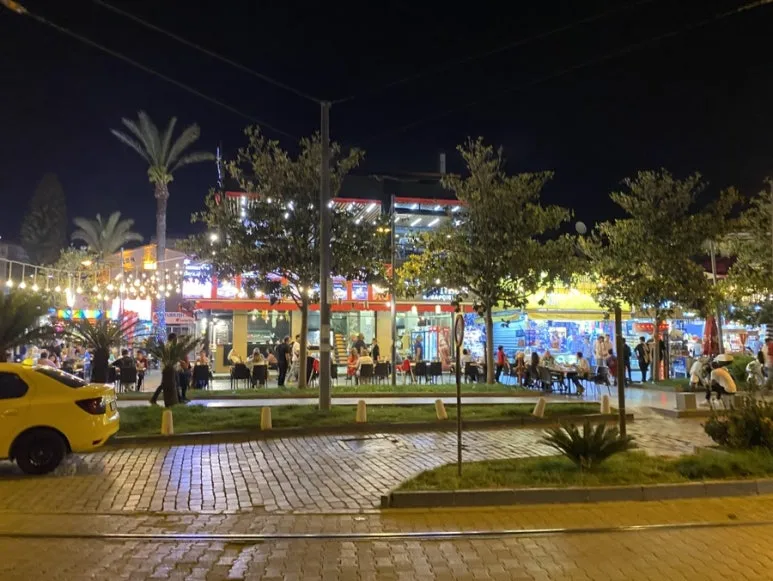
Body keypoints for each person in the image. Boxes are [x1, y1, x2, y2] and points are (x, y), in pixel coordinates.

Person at [150, 333, 179, 405]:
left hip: (167, 368)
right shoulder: (169, 346)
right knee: (166, 384)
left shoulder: (168, 345)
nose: (177, 341)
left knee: (166, 384)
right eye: (176, 339)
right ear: (174, 339)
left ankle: (154, 398)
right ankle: (154, 398)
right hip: (168, 368)